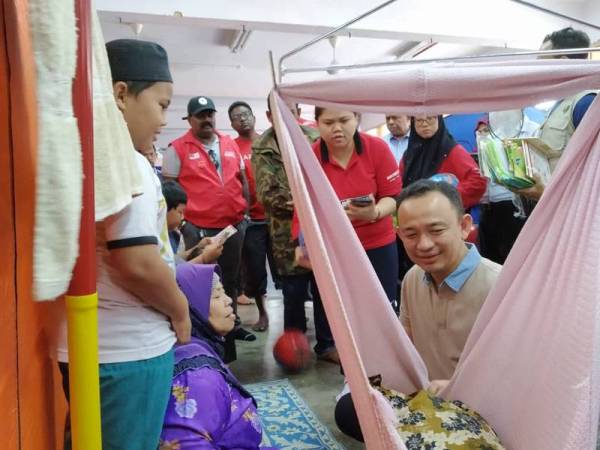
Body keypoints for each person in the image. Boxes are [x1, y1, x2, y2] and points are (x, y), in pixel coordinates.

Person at [57, 39, 191, 450]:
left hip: (92, 343)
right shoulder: (124, 162)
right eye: (162, 105)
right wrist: (181, 311)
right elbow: (136, 262)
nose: (164, 120)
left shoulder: (81, 151)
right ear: (120, 94)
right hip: (127, 351)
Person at [335, 180, 501, 442]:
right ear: (399, 235)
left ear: (464, 226)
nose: (424, 245)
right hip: (431, 402)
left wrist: (460, 387)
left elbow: (516, 375)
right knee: (349, 408)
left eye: (436, 230)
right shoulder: (413, 278)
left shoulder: (499, 286)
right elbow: (405, 345)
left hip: (483, 412)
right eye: (411, 234)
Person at [163, 95, 255, 360]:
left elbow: (242, 180)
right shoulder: (177, 148)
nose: (206, 119)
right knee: (200, 289)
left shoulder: (228, 143)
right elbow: (169, 190)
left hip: (232, 225)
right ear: (190, 119)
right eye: (200, 115)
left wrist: (244, 212)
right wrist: (183, 223)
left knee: (230, 281)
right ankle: (205, 346)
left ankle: (230, 336)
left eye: (210, 114)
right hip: (197, 228)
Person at [252, 101, 338, 363]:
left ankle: (326, 344)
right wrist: (304, 201)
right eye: (279, 112)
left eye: (292, 111)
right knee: (293, 292)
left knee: (324, 289)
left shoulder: (315, 138)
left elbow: (328, 179)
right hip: (285, 234)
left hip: (318, 230)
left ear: (299, 114)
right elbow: (267, 194)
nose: (287, 116)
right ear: (269, 115)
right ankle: (294, 346)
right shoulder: (262, 147)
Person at [160, 263, 276, 450]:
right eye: (216, 295)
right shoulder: (196, 376)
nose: (228, 300)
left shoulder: (194, 349)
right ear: (189, 306)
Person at [311, 107, 402, 307]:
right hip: (334, 248)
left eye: (344, 120)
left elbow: (393, 196)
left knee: (383, 306)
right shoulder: (311, 157)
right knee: (340, 309)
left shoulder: (377, 148)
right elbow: (305, 204)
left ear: (357, 118)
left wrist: (375, 212)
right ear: (317, 123)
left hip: (378, 243)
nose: (337, 128)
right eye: (328, 123)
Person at [517, 27, 597, 201]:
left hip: (572, 213)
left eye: (542, 61)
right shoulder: (559, 105)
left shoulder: (585, 103)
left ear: (562, 61)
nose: (537, 69)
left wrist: (545, 194)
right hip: (554, 208)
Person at [229, 101, 270, 331]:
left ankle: (293, 311)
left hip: (277, 217)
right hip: (251, 221)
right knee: (254, 270)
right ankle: (263, 313)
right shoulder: (232, 147)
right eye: (237, 117)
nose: (242, 119)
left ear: (254, 116)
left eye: (246, 114)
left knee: (286, 269)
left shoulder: (267, 141)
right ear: (232, 123)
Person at [162, 180, 223, 265]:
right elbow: (173, 271)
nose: (182, 217)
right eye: (180, 212)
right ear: (164, 208)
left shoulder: (172, 235)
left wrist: (198, 247)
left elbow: (174, 259)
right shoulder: (156, 239)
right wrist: (204, 258)